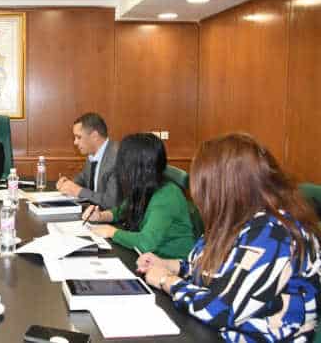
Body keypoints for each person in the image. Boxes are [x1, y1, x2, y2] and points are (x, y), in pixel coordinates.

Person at [137, 133, 321, 342]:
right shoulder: (236, 218)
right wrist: (170, 266)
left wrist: (166, 280)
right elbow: (214, 270)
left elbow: (221, 310)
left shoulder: (276, 233)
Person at [81, 133, 195, 259]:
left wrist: (112, 232)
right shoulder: (143, 185)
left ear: (137, 167)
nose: (119, 167)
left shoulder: (167, 196)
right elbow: (121, 211)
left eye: (123, 161)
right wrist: (101, 216)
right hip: (148, 258)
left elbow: (146, 243)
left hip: (170, 263)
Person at [56, 113, 118, 209]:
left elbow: (111, 202)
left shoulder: (117, 157)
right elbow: (83, 178)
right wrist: (68, 184)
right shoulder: (92, 154)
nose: (75, 142)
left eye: (79, 137)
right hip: (93, 212)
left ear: (94, 136)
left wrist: (78, 191)